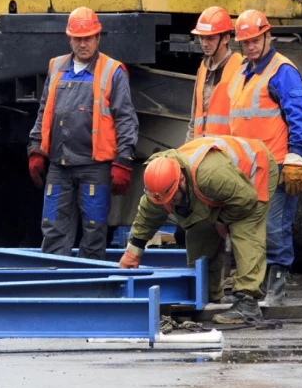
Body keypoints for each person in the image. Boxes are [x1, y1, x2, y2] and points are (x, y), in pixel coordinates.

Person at [119, 135, 277, 324]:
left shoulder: (211, 175)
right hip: (221, 188)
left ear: (182, 182)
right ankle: (209, 294)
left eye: (173, 198)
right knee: (198, 231)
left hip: (254, 171)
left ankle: (248, 301)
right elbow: (147, 218)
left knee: (244, 228)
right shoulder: (158, 188)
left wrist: (222, 220)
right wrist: (133, 252)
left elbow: (246, 200)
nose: (169, 204)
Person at [28, 6, 139, 260]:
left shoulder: (112, 71)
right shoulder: (56, 67)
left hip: (94, 167)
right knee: (53, 229)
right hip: (59, 164)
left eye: (88, 38)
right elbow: (44, 111)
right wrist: (35, 147)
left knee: (94, 231)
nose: (83, 44)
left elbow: (126, 120)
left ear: (98, 37)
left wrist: (123, 161)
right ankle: (55, 287)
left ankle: (90, 291)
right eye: (78, 39)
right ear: (70, 39)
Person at [228, 9, 302, 305]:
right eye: (245, 42)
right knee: (248, 228)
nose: (250, 47)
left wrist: (296, 157)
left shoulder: (282, 71)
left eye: (255, 41)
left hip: (275, 166)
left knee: (275, 229)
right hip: (246, 168)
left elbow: (299, 116)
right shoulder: (243, 70)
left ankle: (275, 289)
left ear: (267, 36)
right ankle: (255, 286)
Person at [186, 6, 244, 141]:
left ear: (225, 38)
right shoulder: (203, 68)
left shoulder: (240, 67)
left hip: (226, 154)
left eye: (210, 38)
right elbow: (194, 121)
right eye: (202, 38)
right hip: (201, 150)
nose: (204, 43)